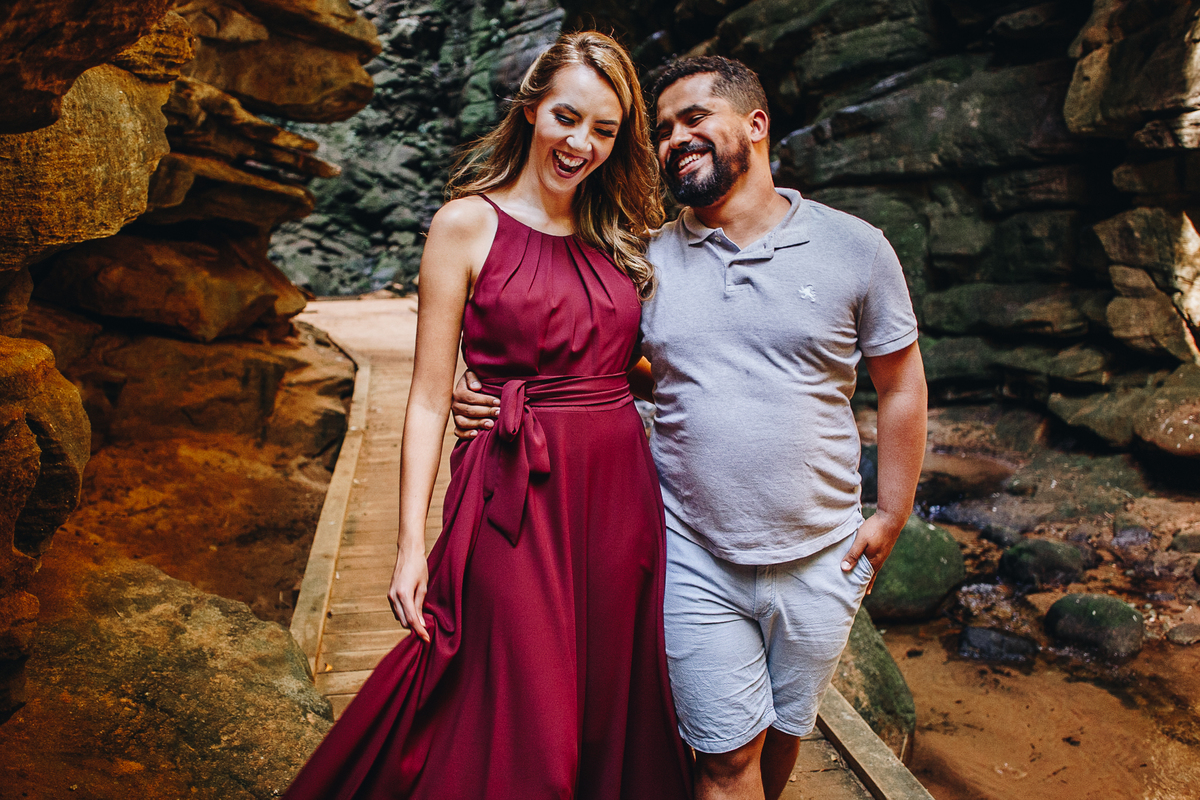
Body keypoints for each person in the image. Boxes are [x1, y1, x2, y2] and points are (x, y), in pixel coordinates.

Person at [453, 55, 928, 800]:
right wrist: (493, 386)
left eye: (695, 118)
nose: (676, 138)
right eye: (665, 128)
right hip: (691, 552)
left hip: (823, 554)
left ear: (756, 125)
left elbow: (900, 386)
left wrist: (891, 516)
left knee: (781, 737)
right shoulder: (643, 261)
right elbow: (587, 351)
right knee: (722, 759)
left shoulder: (856, 248)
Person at [282, 32, 692, 800]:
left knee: (606, 699)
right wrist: (408, 548)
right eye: (568, 118)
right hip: (512, 489)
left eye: (604, 130)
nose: (582, 144)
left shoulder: (623, 236)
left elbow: (630, 363)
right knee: (524, 698)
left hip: (616, 496)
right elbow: (432, 394)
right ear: (532, 107)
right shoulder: (466, 224)